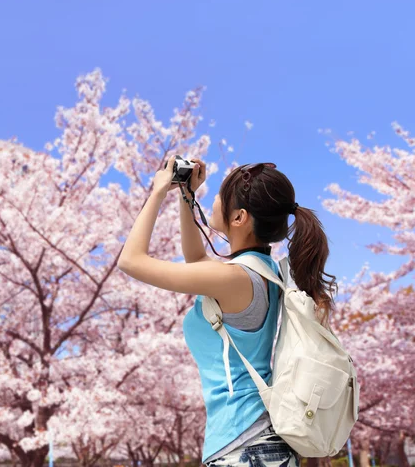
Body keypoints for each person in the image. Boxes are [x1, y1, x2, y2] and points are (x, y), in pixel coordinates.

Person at [117, 157, 337, 467]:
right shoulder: (262, 271)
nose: (215, 200)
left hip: (243, 444)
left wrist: (157, 192)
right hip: (258, 442)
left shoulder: (234, 277)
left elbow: (130, 261)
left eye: (221, 195)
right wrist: (186, 196)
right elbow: (195, 257)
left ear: (239, 218)